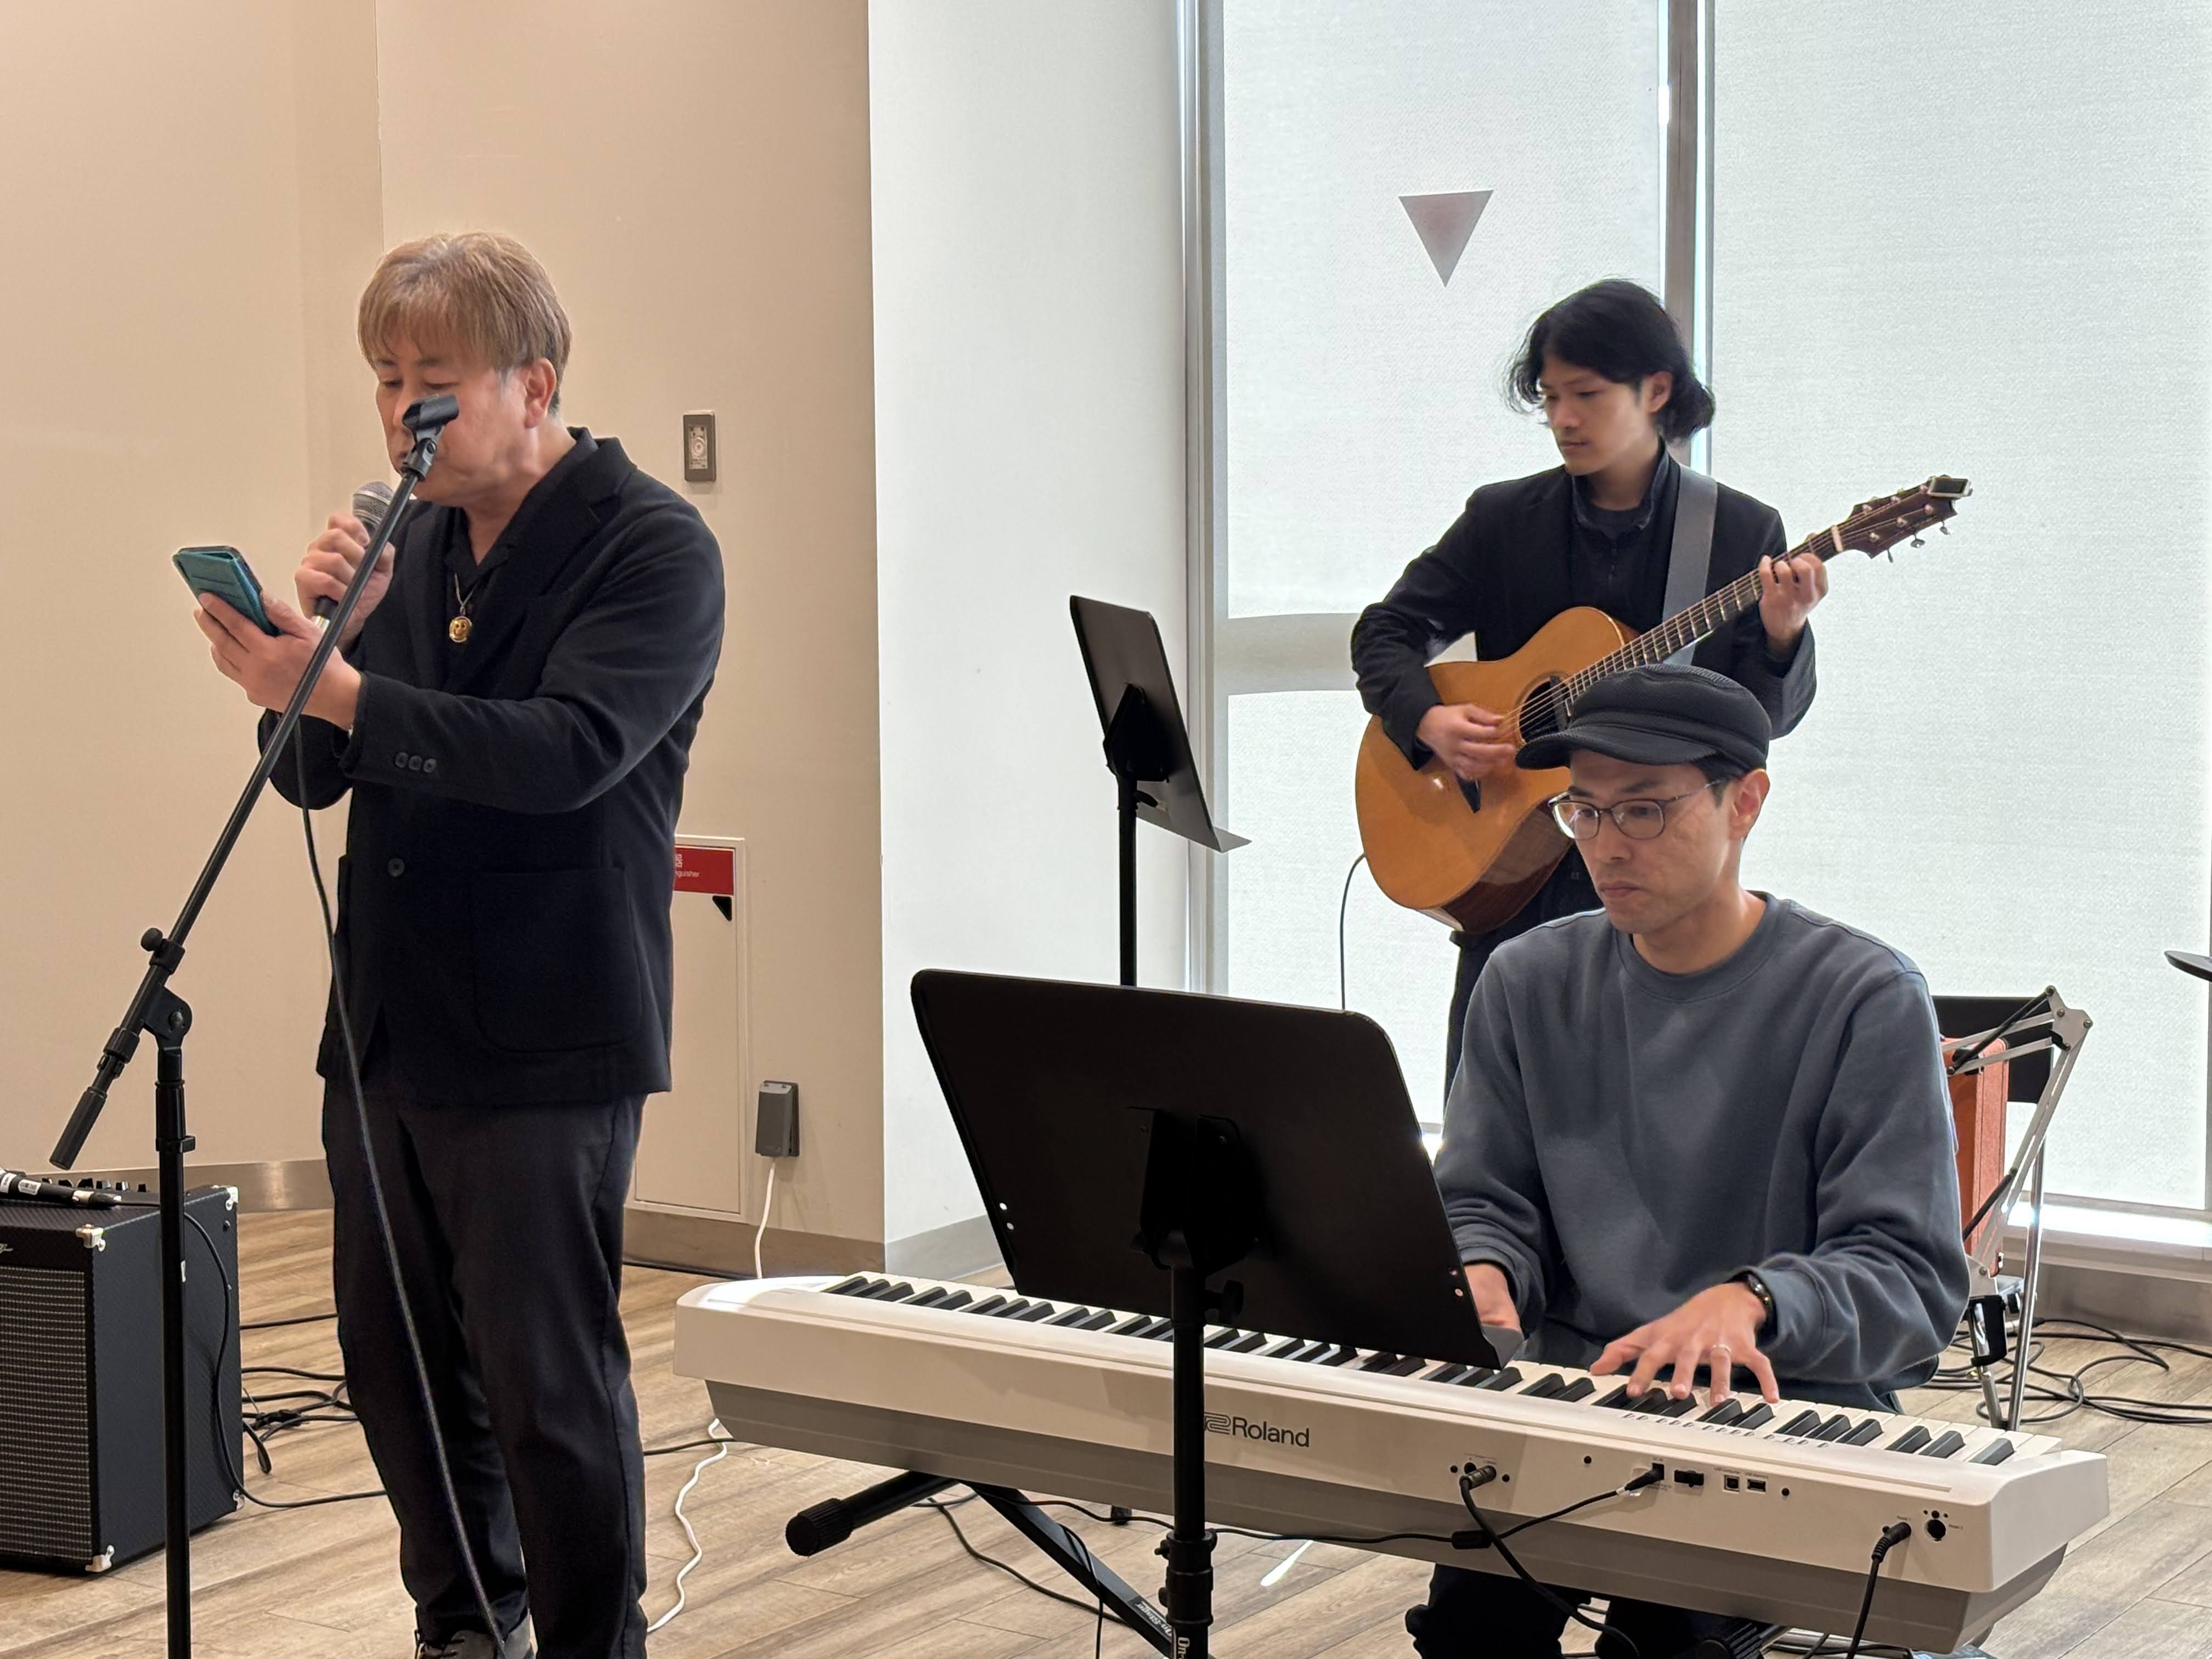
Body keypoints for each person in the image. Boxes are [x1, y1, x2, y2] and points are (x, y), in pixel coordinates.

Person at [193, 232, 725, 1659]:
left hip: (547, 1031)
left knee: (546, 1383)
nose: (398, 413)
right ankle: (465, 1629)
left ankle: (591, 1644)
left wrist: (340, 687)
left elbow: (569, 752)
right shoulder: (408, 542)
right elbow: (316, 780)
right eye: (384, 380)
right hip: (390, 1021)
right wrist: (307, 661)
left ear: (534, 385)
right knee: (396, 1366)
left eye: (430, 383)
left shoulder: (650, 545)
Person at [1405, 663, 1970, 1659]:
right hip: (1573, 1397)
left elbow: (1911, 1283)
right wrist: (1485, 1273)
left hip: (1773, 1408)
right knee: (1470, 1634)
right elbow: (1485, 1200)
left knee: (1664, 1640)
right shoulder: (1527, 979)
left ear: (1745, 800)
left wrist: (1753, 1299)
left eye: (1645, 810)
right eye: (1585, 811)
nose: (1606, 845)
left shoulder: (1864, 997)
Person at [1351, 278, 1826, 1093]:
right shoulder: (1503, 521)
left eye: (1587, 394)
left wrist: (1784, 634)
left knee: (1656, 1121)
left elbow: (1762, 724)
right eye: (1550, 397)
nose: (1563, 418)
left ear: (1657, 390)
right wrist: (1428, 720)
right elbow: (1384, 633)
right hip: (1515, 886)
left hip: (1662, 883)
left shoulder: (1739, 533)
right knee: (1489, 1120)